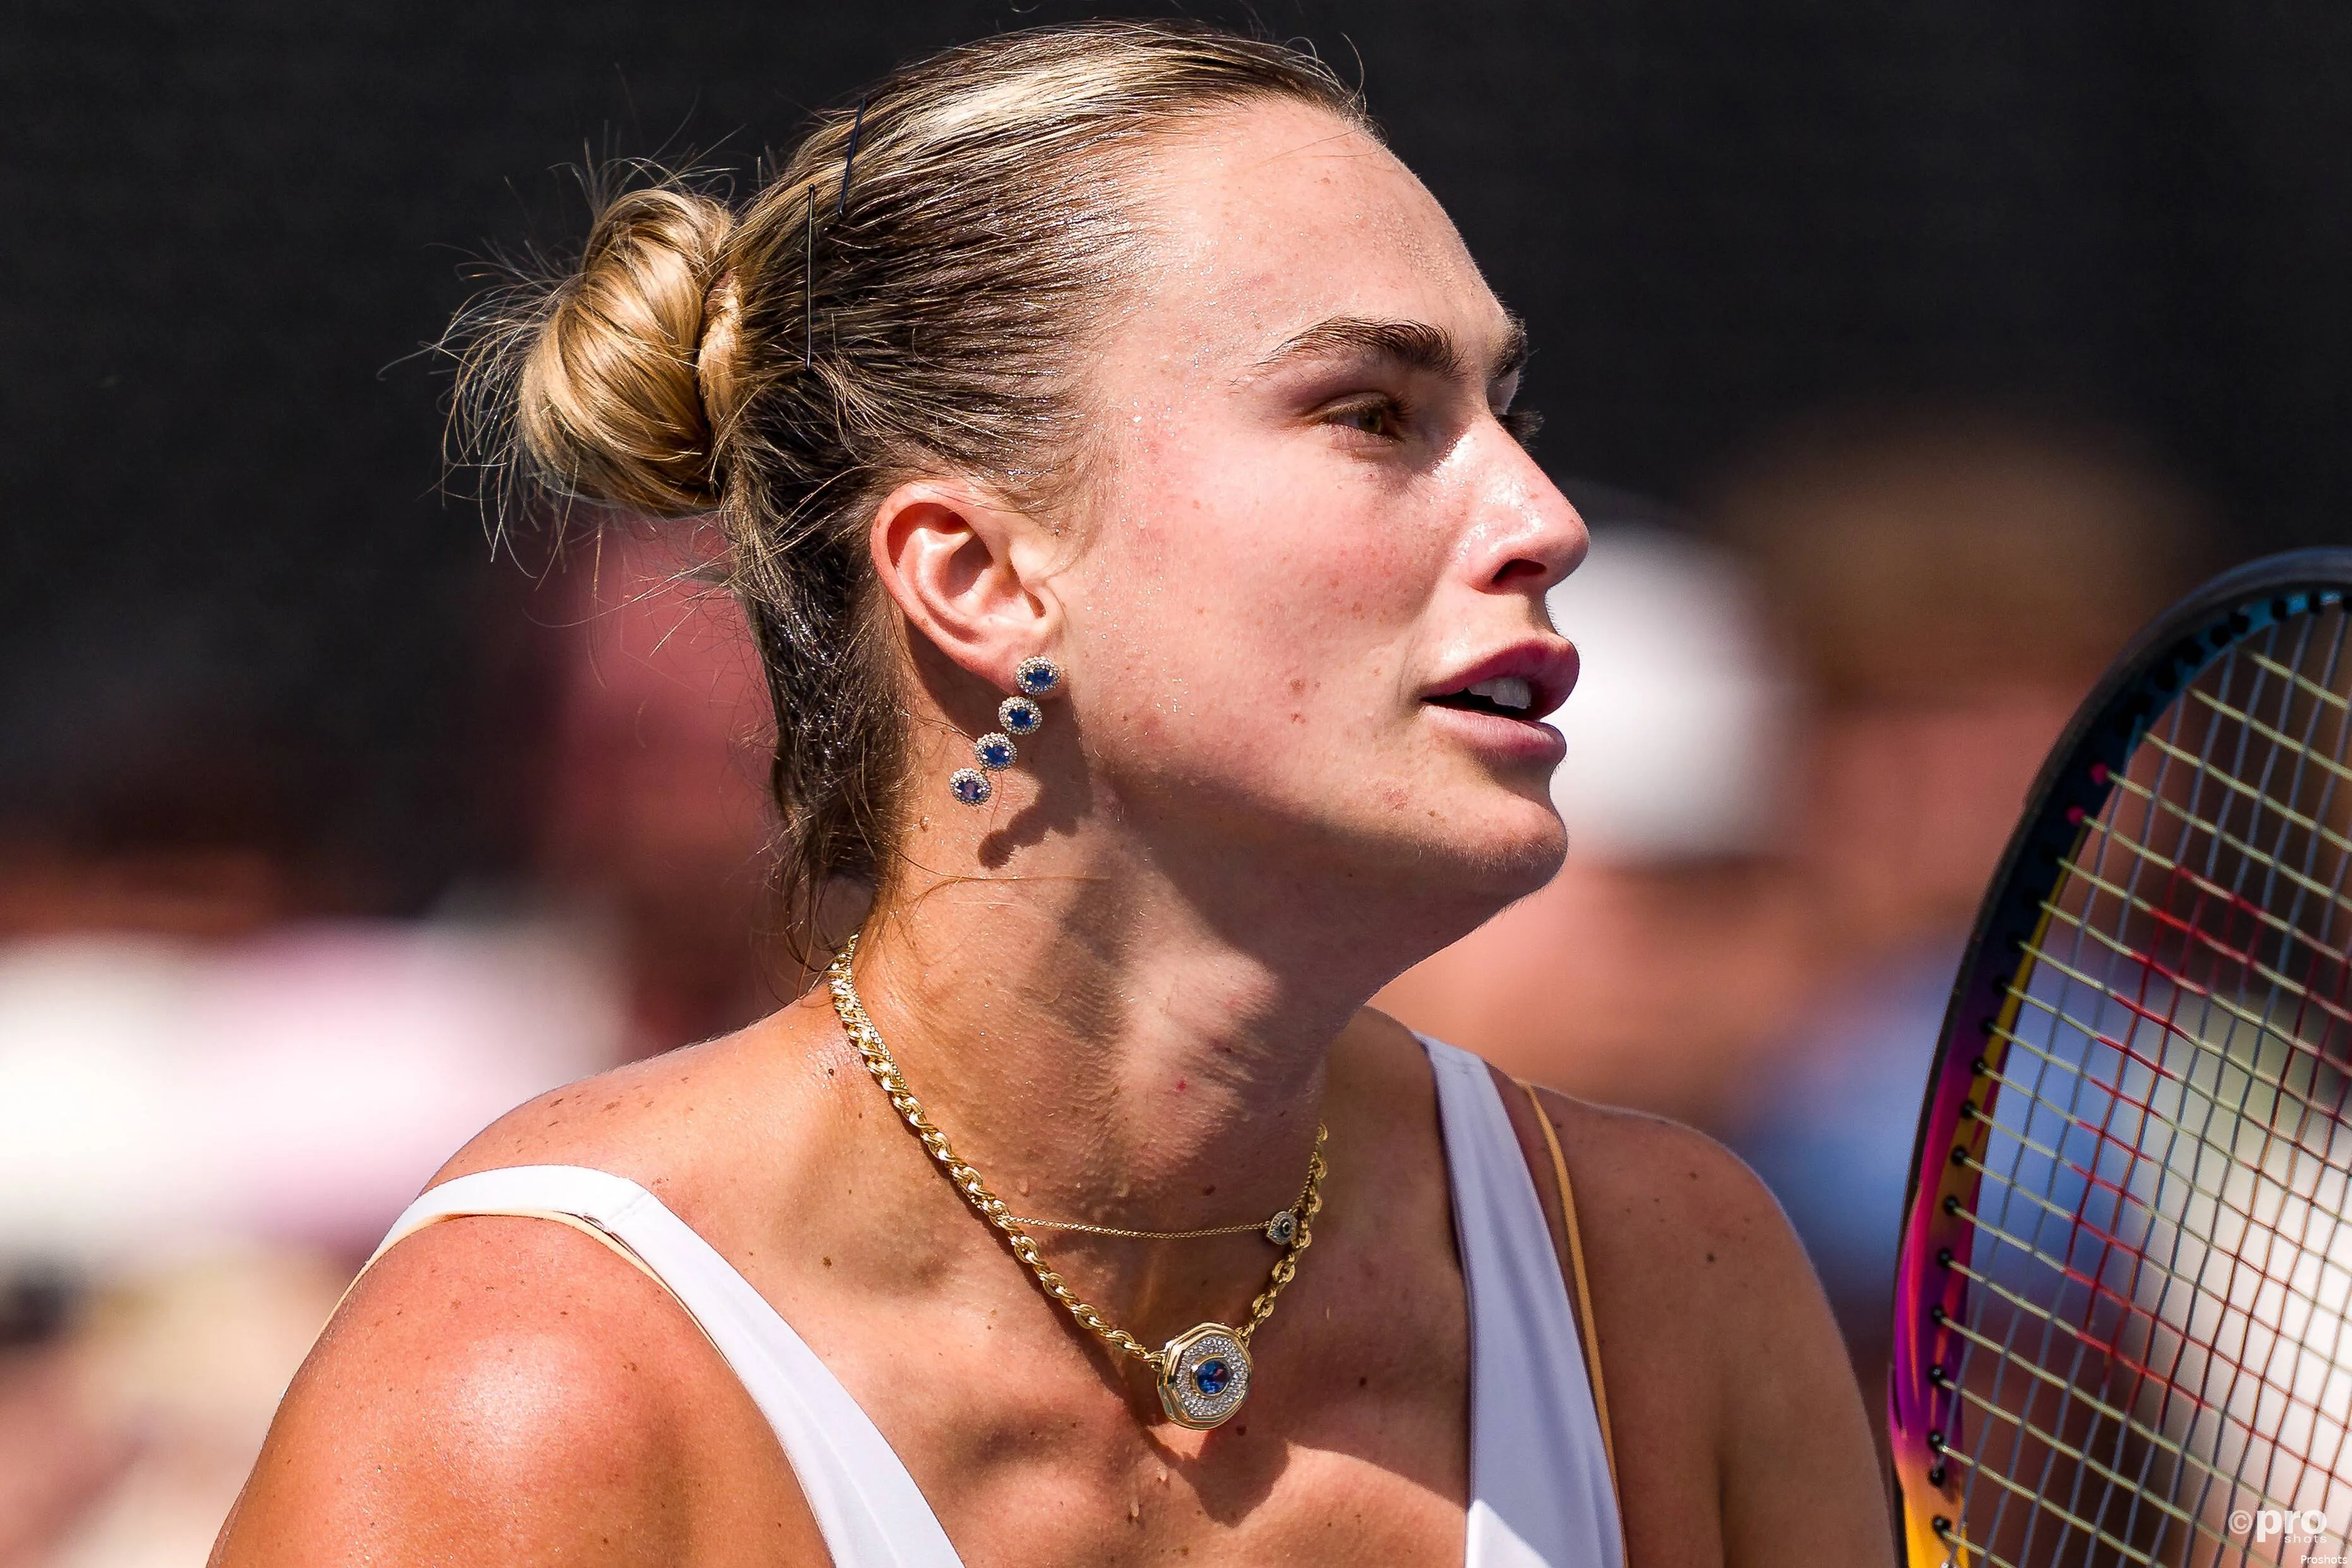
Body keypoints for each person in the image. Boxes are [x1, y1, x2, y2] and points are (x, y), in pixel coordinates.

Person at [211, 22, 1889, 1566]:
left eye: (1501, 409)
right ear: (979, 577)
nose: (1540, 518)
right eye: (1373, 413)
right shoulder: (537, 1396)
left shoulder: (1661, 1283)